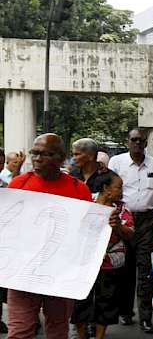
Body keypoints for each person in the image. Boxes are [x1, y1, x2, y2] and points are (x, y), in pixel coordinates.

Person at [6, 134, 94, 339]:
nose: (37, 159)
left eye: (46, 154)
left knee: (58, 330)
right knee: (20, 331)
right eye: (34, 153)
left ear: (61, 158)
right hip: (22, 273)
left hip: (61, 274)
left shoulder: (78, 189)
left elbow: (88, 231)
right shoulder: (18, 185)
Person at [107, 129, 153, 333]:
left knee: (145, 273)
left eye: (141, 141)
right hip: (123, 221)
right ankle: (125, 312)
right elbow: (109, 193)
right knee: (124, 271)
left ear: (146, 143)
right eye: (134, 140)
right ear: (128, 141)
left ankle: (146, 318)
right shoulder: (116, 163)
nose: (138, 144)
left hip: (146, 223)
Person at [72, 172, 134, 339]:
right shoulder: (86, 202)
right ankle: (81, 335)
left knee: (106, 302)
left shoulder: (121, 209)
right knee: (80, 301)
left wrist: (117, 227)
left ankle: (99, 336)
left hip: (109, 263)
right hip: (84, 262)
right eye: (118, 187)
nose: (121, 191)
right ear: (106, 188)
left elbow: (130, 234)